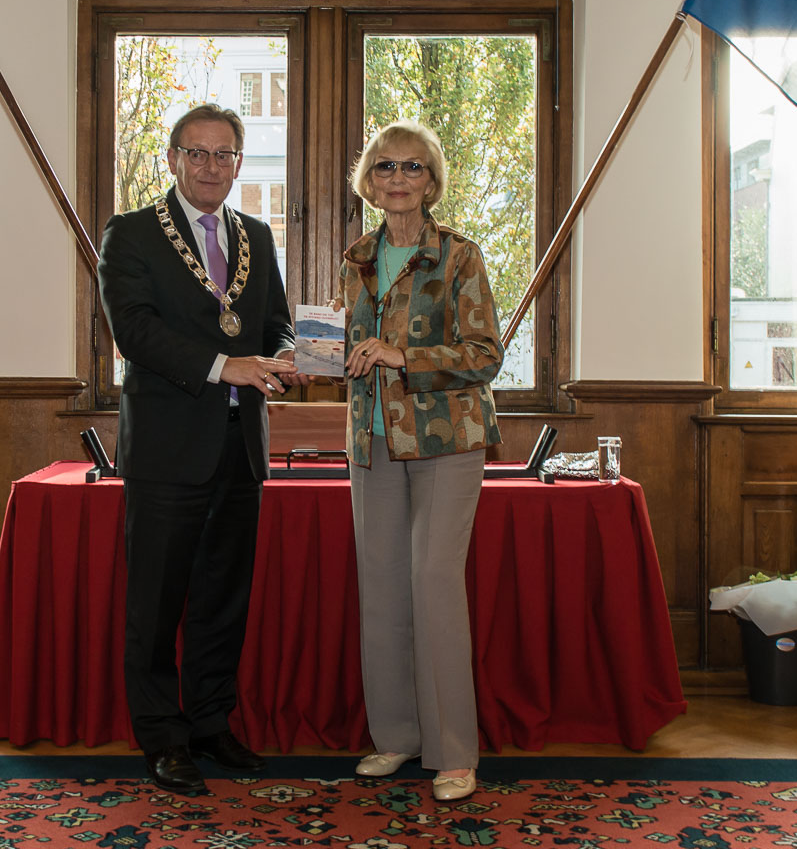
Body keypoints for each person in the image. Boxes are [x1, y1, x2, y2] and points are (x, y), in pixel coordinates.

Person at [98, 103, 299, 796]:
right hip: (166, 450)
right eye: (198, 153)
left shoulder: (257, 235)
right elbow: (135, 332)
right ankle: (163, 738)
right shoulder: (130, 234)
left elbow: (272, 322)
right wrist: (226, 365)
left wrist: (283, 355)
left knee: (222, 600)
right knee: (155, 604)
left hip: (240, 448)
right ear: (173, 158)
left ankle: (211, 724)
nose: (211, 167)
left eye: (225, 155)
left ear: (239, 163)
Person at [339, 119, 503, 803]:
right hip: (371, 441)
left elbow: (484, 355)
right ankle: (397, 738)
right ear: (367, 182)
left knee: (433, 585)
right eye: (384, 168)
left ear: (431, 182)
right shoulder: (353, 256)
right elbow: (348, 349)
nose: (397, 179)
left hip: (445, 442)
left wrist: (403, 356)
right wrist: (310, 358)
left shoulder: (459, 256)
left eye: (411, 168)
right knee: (381, 591)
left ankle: (453, 752)